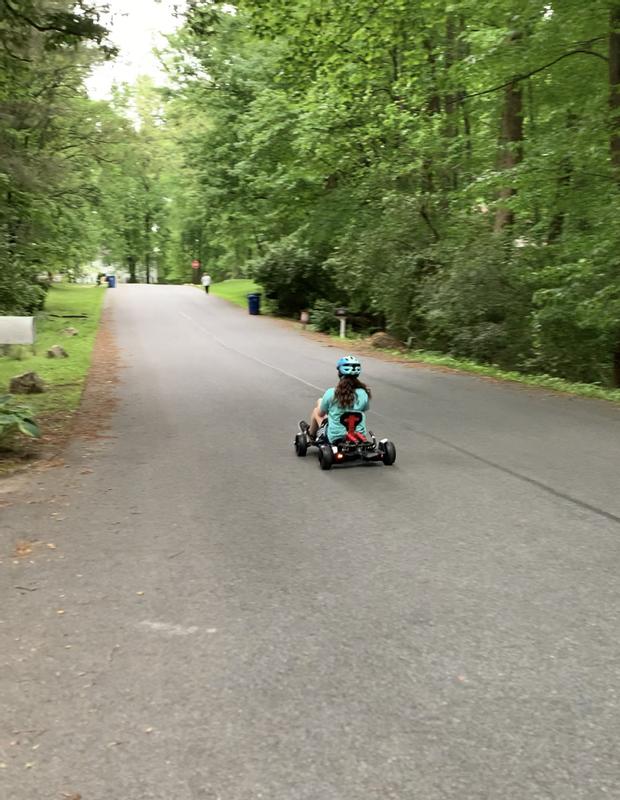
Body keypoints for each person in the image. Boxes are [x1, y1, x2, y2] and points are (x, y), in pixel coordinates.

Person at [301, 355, 371, 442]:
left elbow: (321, 414)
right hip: (358, 435)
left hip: (335, 437)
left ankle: (311, 434)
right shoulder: (363, 393)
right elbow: (363, 410)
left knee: (316, 411)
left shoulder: (331, 393)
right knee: (320, 402)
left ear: (340, 373)